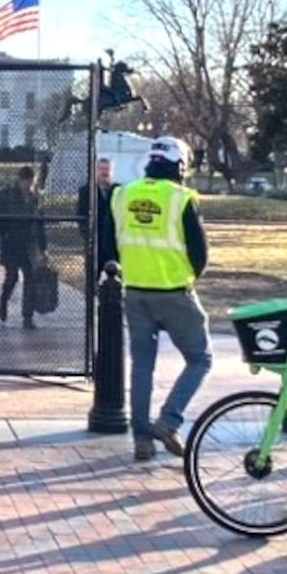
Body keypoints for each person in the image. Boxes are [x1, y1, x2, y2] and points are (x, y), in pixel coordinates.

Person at [111, 137, 211, 461]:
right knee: (200, 358)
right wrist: (188, 277)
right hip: (174, 292)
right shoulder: (181, 199)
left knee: (142, 367)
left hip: (135, 291)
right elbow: (200, 253)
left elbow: (115, 239)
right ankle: (168, 421)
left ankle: (142, 440)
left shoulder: (123, 194)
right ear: (179, 165)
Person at [0, 165, 47, 329]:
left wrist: (43, 248)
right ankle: (3, 301)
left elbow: (40, 224)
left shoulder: (35, 198)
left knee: (30, 280)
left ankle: (27, 317)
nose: (29, 185)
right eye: (27, 181)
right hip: (12, 243)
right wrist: (5, 232)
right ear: (20, 180)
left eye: (32, 182)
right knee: (12, 277)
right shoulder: (6, 195)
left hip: (29, 244)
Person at [76, 157, 118, 279]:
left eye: (107, 169)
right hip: (95, 242)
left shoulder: (118, 191)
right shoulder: (86, 191)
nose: (105, 172)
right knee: (93, 277)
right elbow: (81, 215)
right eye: (101, 169)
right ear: (96, 171)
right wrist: (87, 235)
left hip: (114, 243)